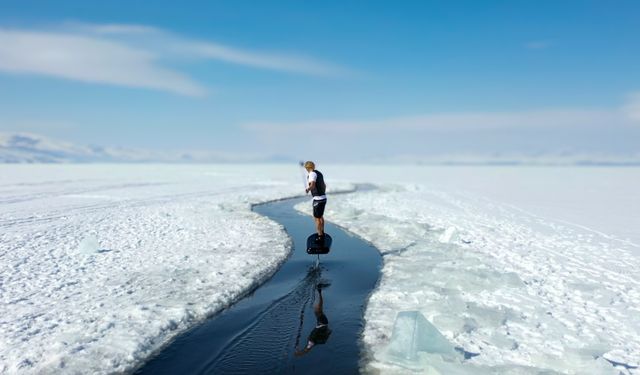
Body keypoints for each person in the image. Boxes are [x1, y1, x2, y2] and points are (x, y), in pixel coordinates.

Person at [295, 284, 331, 357]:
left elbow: (307, 349)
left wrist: (300, 352)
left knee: (318, 309)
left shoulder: (312, 341)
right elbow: (307, 350)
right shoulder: (311, 340)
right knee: (318, 310)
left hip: (321, 323)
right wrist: (300, 353)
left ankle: (319, 292)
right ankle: (319, 291)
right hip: (323, 323)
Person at [303, 161, 327, 241]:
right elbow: (324, 185)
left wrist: (307, 189)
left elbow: (312, 185)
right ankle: (322, 232)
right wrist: (322, 193)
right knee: (320, 217)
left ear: (307, 168)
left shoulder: (312, 174)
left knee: (316, 218)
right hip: (323, 198)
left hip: (318, 200)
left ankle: (320, 236)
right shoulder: (319, 173)